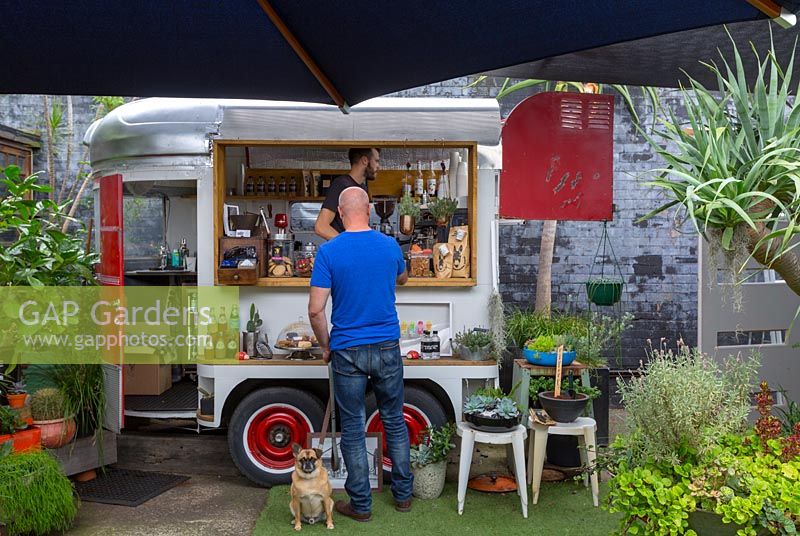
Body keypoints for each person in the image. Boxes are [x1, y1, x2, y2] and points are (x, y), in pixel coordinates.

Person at [308, 186, 411, 522]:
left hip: (347, 350)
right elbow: (404, 278)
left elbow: (315, 311)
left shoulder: (329, 252)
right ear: (368, 209)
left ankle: (361, 506)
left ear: (339, 212)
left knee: (352, 428)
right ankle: (404, 496)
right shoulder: (389, 245)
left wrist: (326, 346)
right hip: (386, 346)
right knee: (394, 421)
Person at [314, 148, 380, 240]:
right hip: (342, 252)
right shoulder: (340, 184)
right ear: (365, 160)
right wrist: (346, 244)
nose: (378, 166)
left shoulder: (363, 188)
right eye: (376, 161)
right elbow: (321, 227)